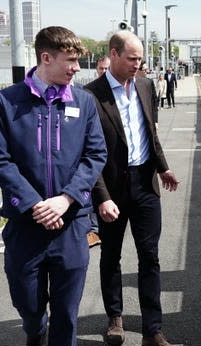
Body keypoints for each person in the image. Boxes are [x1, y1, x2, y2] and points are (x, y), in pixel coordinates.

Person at [0, 26, 107, 346]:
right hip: (27, 224)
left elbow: (94, 155)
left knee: (68, 311)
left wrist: (67, 198)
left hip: (71, 224)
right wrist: (36, 204)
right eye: (70, 60)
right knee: (27, 298)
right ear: (45, 58)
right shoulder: (7, 102)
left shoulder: (84, 103)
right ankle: (34, 328)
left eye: (78, 59)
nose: (77, 67)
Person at [84, 31, 182, 346]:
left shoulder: (145, 85)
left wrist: (163, 167)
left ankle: (153, 332)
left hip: (145, 184)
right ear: (113, 55)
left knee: (149, 256)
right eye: (131, 58)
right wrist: (101, 196)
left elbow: (150, 131)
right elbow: (89, 153)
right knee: (111, 255)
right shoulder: (90, 95)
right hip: (111, 188)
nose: (137, 64)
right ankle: (115, 318)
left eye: (140, 59)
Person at [86, 55, 112, 248]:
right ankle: (94, 230)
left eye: (107, 68)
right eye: (101, 69)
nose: (104, 72)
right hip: (95, 158)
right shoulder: (88, 93)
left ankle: (95, 229)